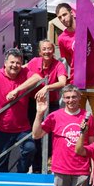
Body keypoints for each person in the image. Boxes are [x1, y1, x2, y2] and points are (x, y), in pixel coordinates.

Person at [12, 39, 67, 174]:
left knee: (49, 137)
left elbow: (63, 82)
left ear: (53, 51)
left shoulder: (58, 65)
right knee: (35, 135)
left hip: (51, 104)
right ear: (40, 52)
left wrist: (47, 87)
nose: (47, 51)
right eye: (44, 49)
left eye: (50, 49)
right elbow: (21, 69)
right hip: (33, 104)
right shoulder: (34, 62)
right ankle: (37, 169)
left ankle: (48, 165)